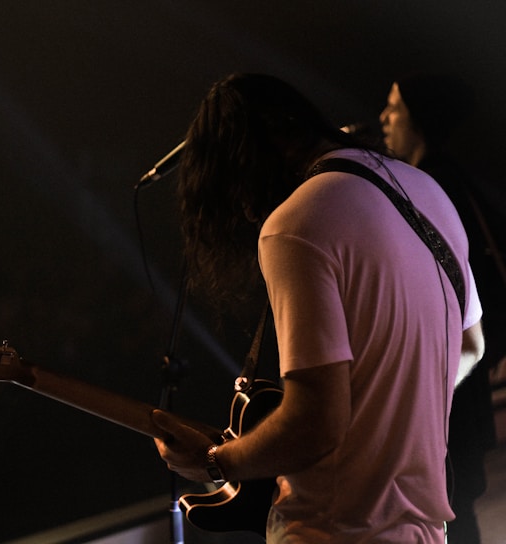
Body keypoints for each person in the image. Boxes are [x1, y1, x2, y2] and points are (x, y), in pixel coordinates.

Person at [150, 73, 485, 543]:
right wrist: (395, 410)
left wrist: (214, 461)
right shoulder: (426, 190)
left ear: (251, 157)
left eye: (237, 186)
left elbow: (316, 421)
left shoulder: (295, 223)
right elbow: (472, 345)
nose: (247, 209)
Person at [380, 73, 504, 544]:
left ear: (419, 117)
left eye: (394, 106)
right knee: (453, 510)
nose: (383, 117)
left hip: (443, 387)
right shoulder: (454, 180)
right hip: (458, 382)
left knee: (446, 514)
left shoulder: (430, 187)